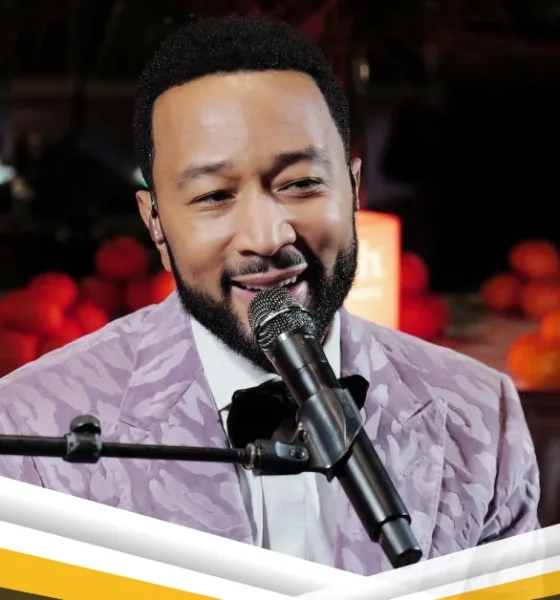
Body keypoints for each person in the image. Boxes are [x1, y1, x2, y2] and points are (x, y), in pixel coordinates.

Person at [0, 15, 539, 575]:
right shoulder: (28, 428)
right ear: (155, 223)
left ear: (354, 189)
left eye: (301, 183)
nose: (265, 237)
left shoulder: (481, 414)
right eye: (214, 196)